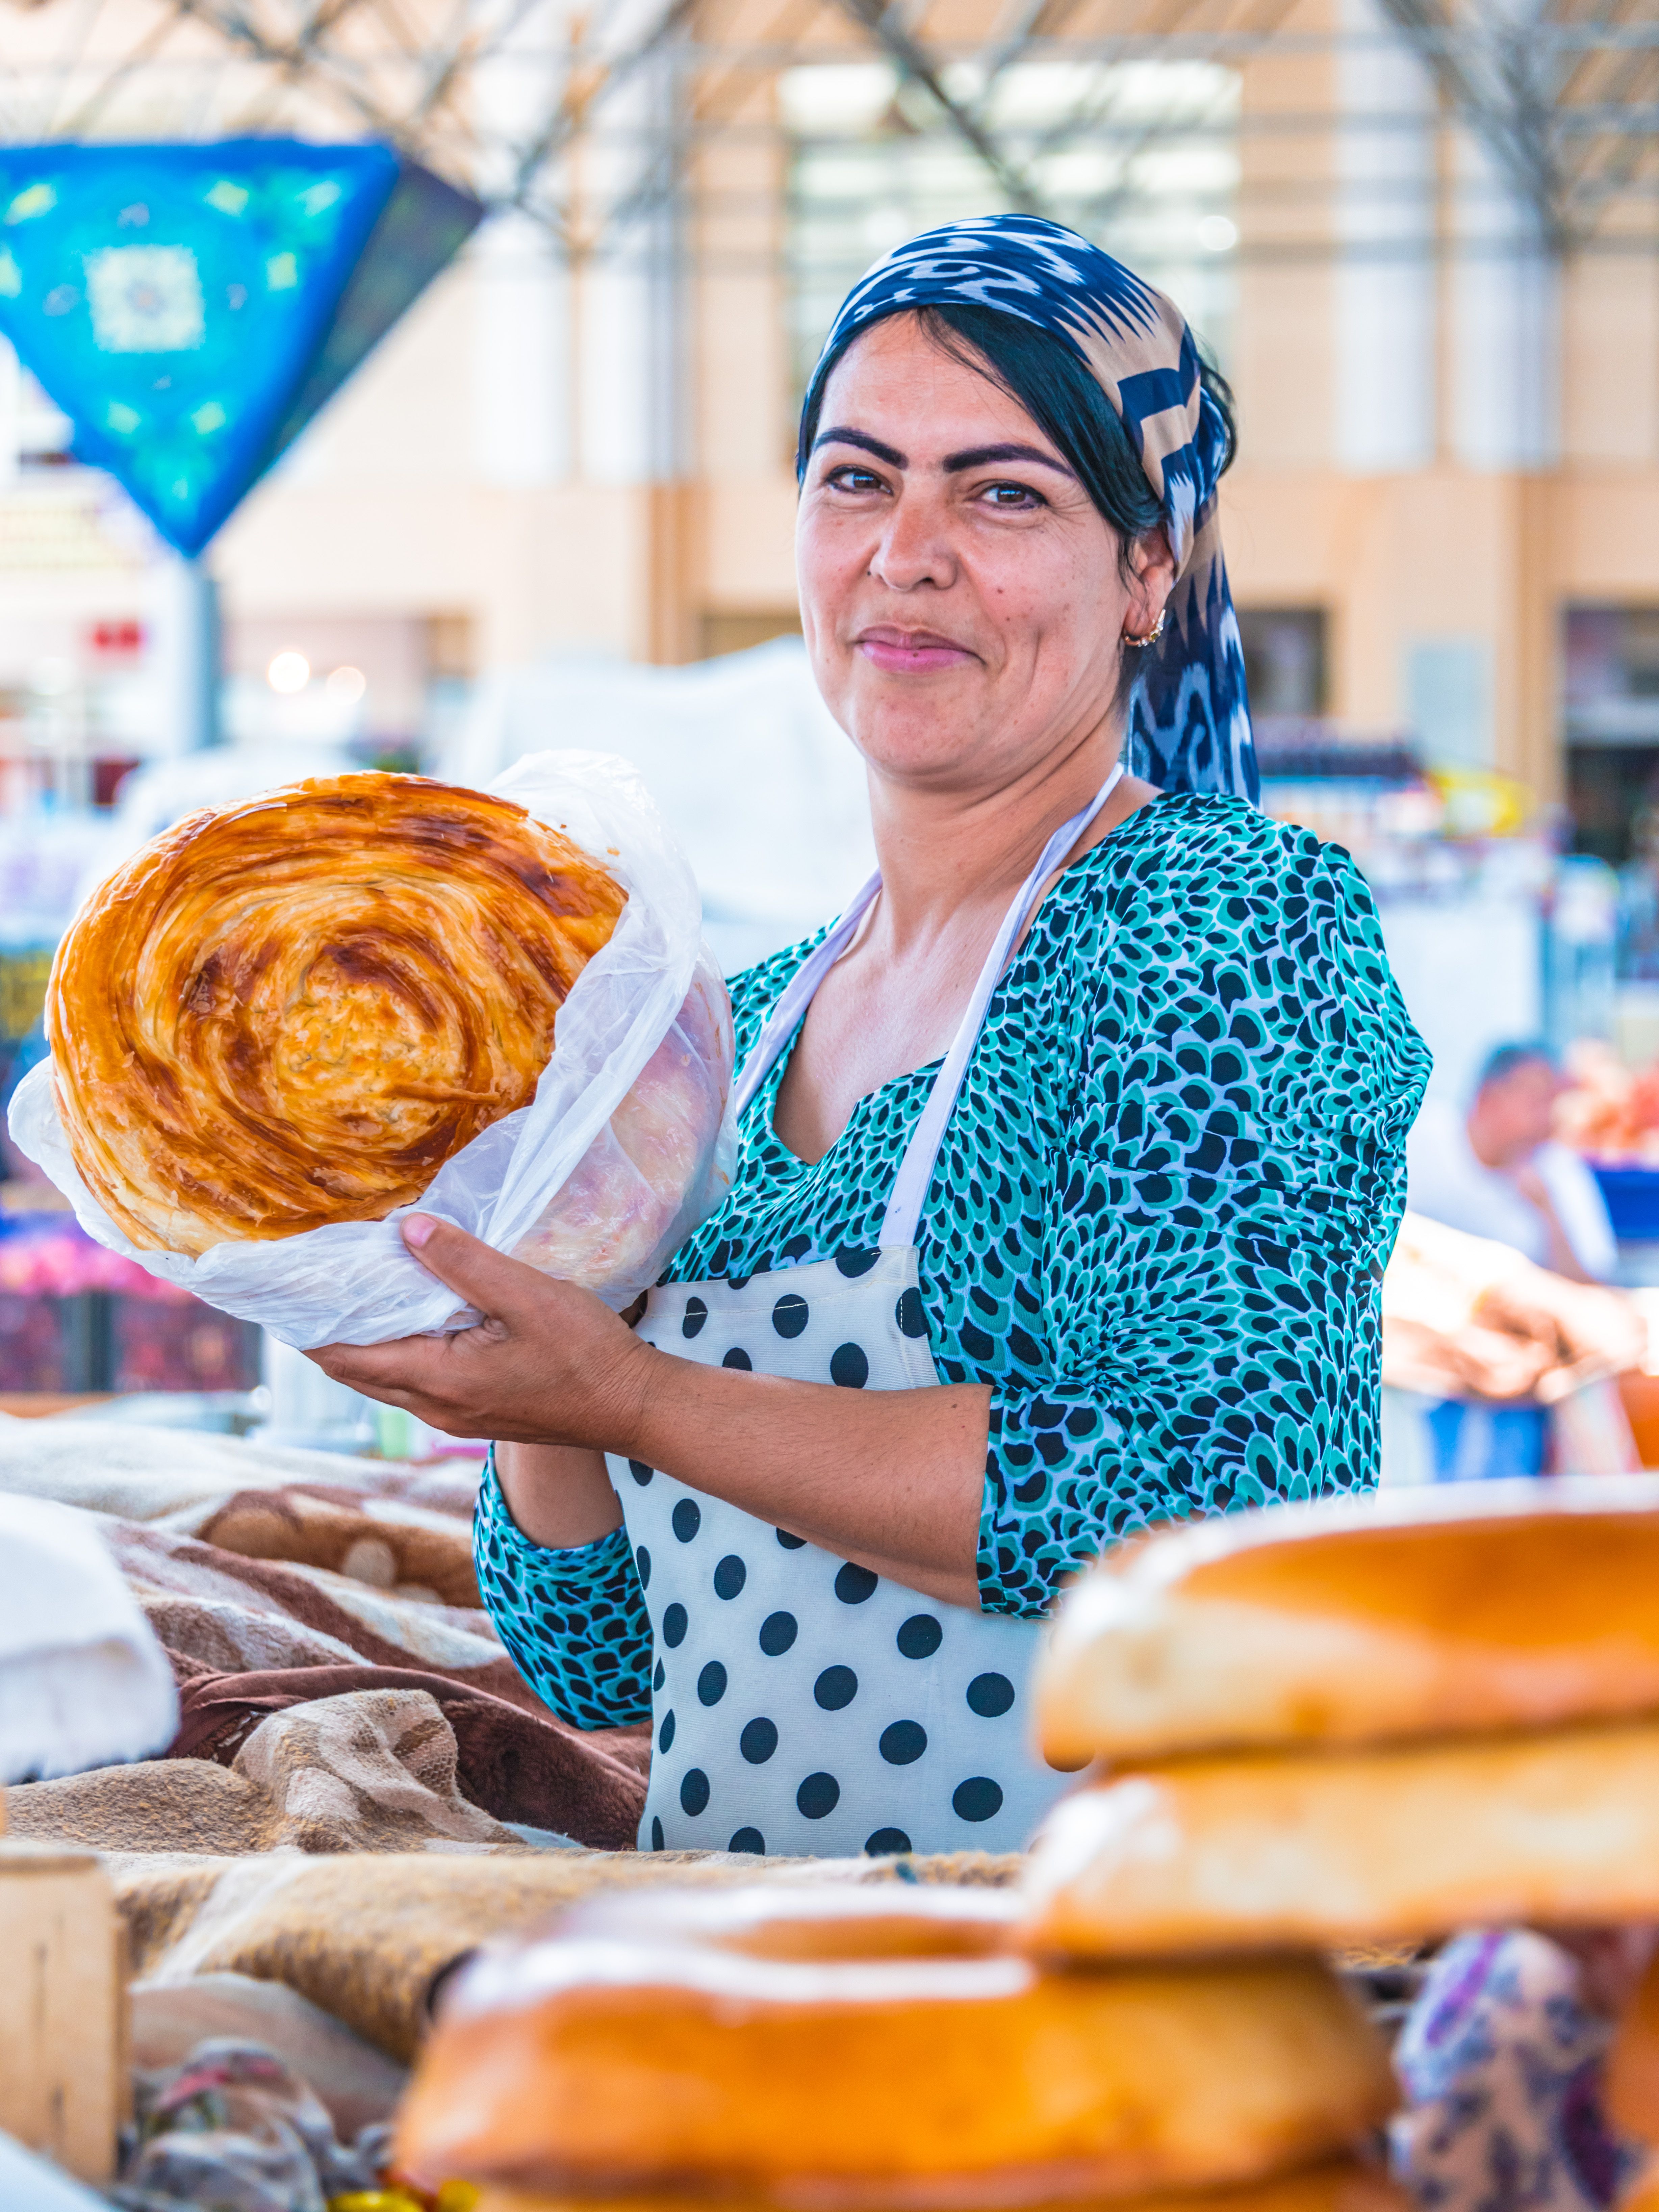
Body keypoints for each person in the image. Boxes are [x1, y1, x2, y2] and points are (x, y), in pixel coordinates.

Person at [313, 214, 1429, 1860]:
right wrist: (525, 1368)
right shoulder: (732, 1028)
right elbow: (600, 1658)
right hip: (748, 1968)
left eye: (1002, 493)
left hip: (1093, 1962)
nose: (906, 552)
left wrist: (630, 1393)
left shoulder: (1221, 921)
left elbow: (1204, 1492)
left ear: (1148, 569)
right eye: (855, 479)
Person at [1407, 1041, 1617, 1285]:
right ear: (1487, 1099)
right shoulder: (1415, 1140)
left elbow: (1596, 1289)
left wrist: (1548, 1212)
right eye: (1535, 1103)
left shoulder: (1559, 1169)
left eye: (1552, 1106)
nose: (1547, 1121)